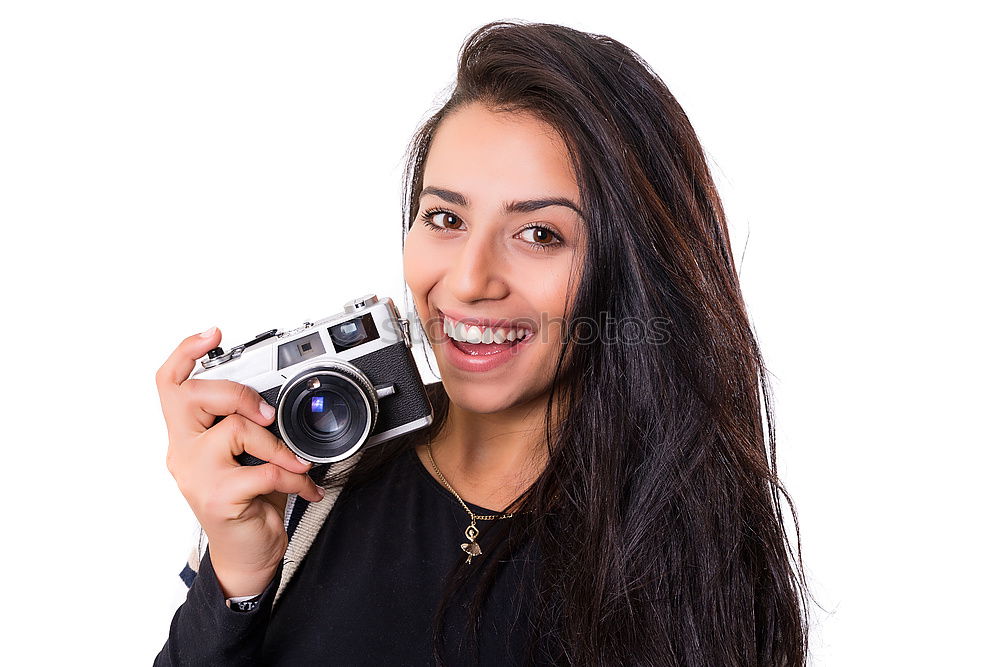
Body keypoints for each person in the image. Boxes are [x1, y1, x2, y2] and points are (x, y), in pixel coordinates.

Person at [153, 20, 809, 666]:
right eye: (445, 218)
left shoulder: (683, 547)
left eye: (540, 234)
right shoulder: (309, 473)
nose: (468, 280)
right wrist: (236, 576)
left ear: (632, 266)